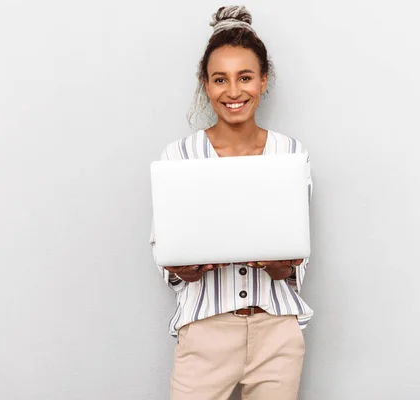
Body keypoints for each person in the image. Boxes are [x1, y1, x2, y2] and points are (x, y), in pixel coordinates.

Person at [149, 5, 314, 400]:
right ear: (206, 86)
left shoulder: (290, 152)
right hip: (205, 331)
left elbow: (299, 252)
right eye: (220, 79)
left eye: (245, 77)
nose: (234, 91)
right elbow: (163, 248)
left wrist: (283, 266)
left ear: (263, 81)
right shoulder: (180, 156)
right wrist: (182, 271)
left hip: (276, 333)